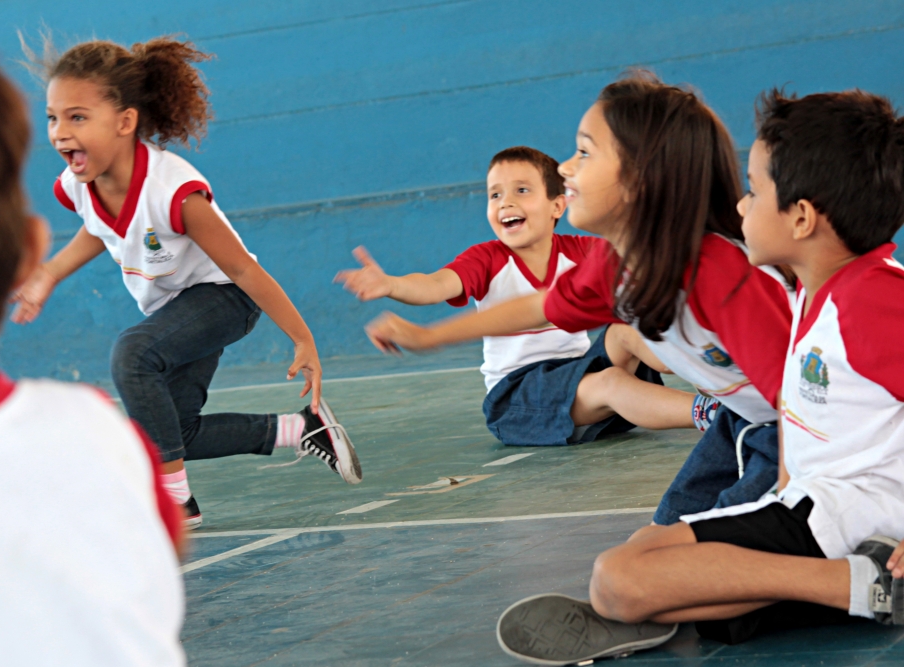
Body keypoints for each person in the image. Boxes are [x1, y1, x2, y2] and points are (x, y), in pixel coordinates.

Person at [496, 88, 904, 665]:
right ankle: (774, 597)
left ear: (803, 218)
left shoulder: (872, 298)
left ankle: (860, 587)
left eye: (755, 192)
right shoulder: (825, 290)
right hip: (815, 505)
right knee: (644, 548)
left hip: (855, 518)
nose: (740, 206)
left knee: (617, 579)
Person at [0, 26, 186, 666]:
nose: (61, 129)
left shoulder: (173, 190)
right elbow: (165, 551)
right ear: (27, 254)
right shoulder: (96, 434)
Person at [365, 72, 794, 524]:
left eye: (584, 152)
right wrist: (429, 335)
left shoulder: (721, 273)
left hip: (794, 437)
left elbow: (797, 401)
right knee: (639, 563)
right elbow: (533, 306)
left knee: (656, 576)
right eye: (495, 194)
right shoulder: (607, 262)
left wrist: (794, 510)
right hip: (730, 422)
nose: (566, 167)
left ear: (640, 179)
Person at [12, 36, 361, 528]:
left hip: (226, 298)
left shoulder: (174, 190)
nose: (59, 132)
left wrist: (303, 337)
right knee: (169, 431)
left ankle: (177, 506)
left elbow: (243, 269)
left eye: (77, 117)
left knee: (133, 356)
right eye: (52, 117)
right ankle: (304, 429)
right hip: (175, 311)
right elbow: (99, 228)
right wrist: (48, 272)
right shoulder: (77, 184)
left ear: (125, 121)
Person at [336, 146, 700, 446]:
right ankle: (716, 414)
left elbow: (644, 268)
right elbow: (434, 284)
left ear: (557, 206)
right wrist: (392, 284)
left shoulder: (584, 252)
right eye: (495, 194)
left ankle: (718, 380)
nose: (505, 202)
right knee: (611, 382)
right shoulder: (486, 259)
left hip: (578, 376)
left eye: (521, 190)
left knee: (625, 331)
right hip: (517, 399)